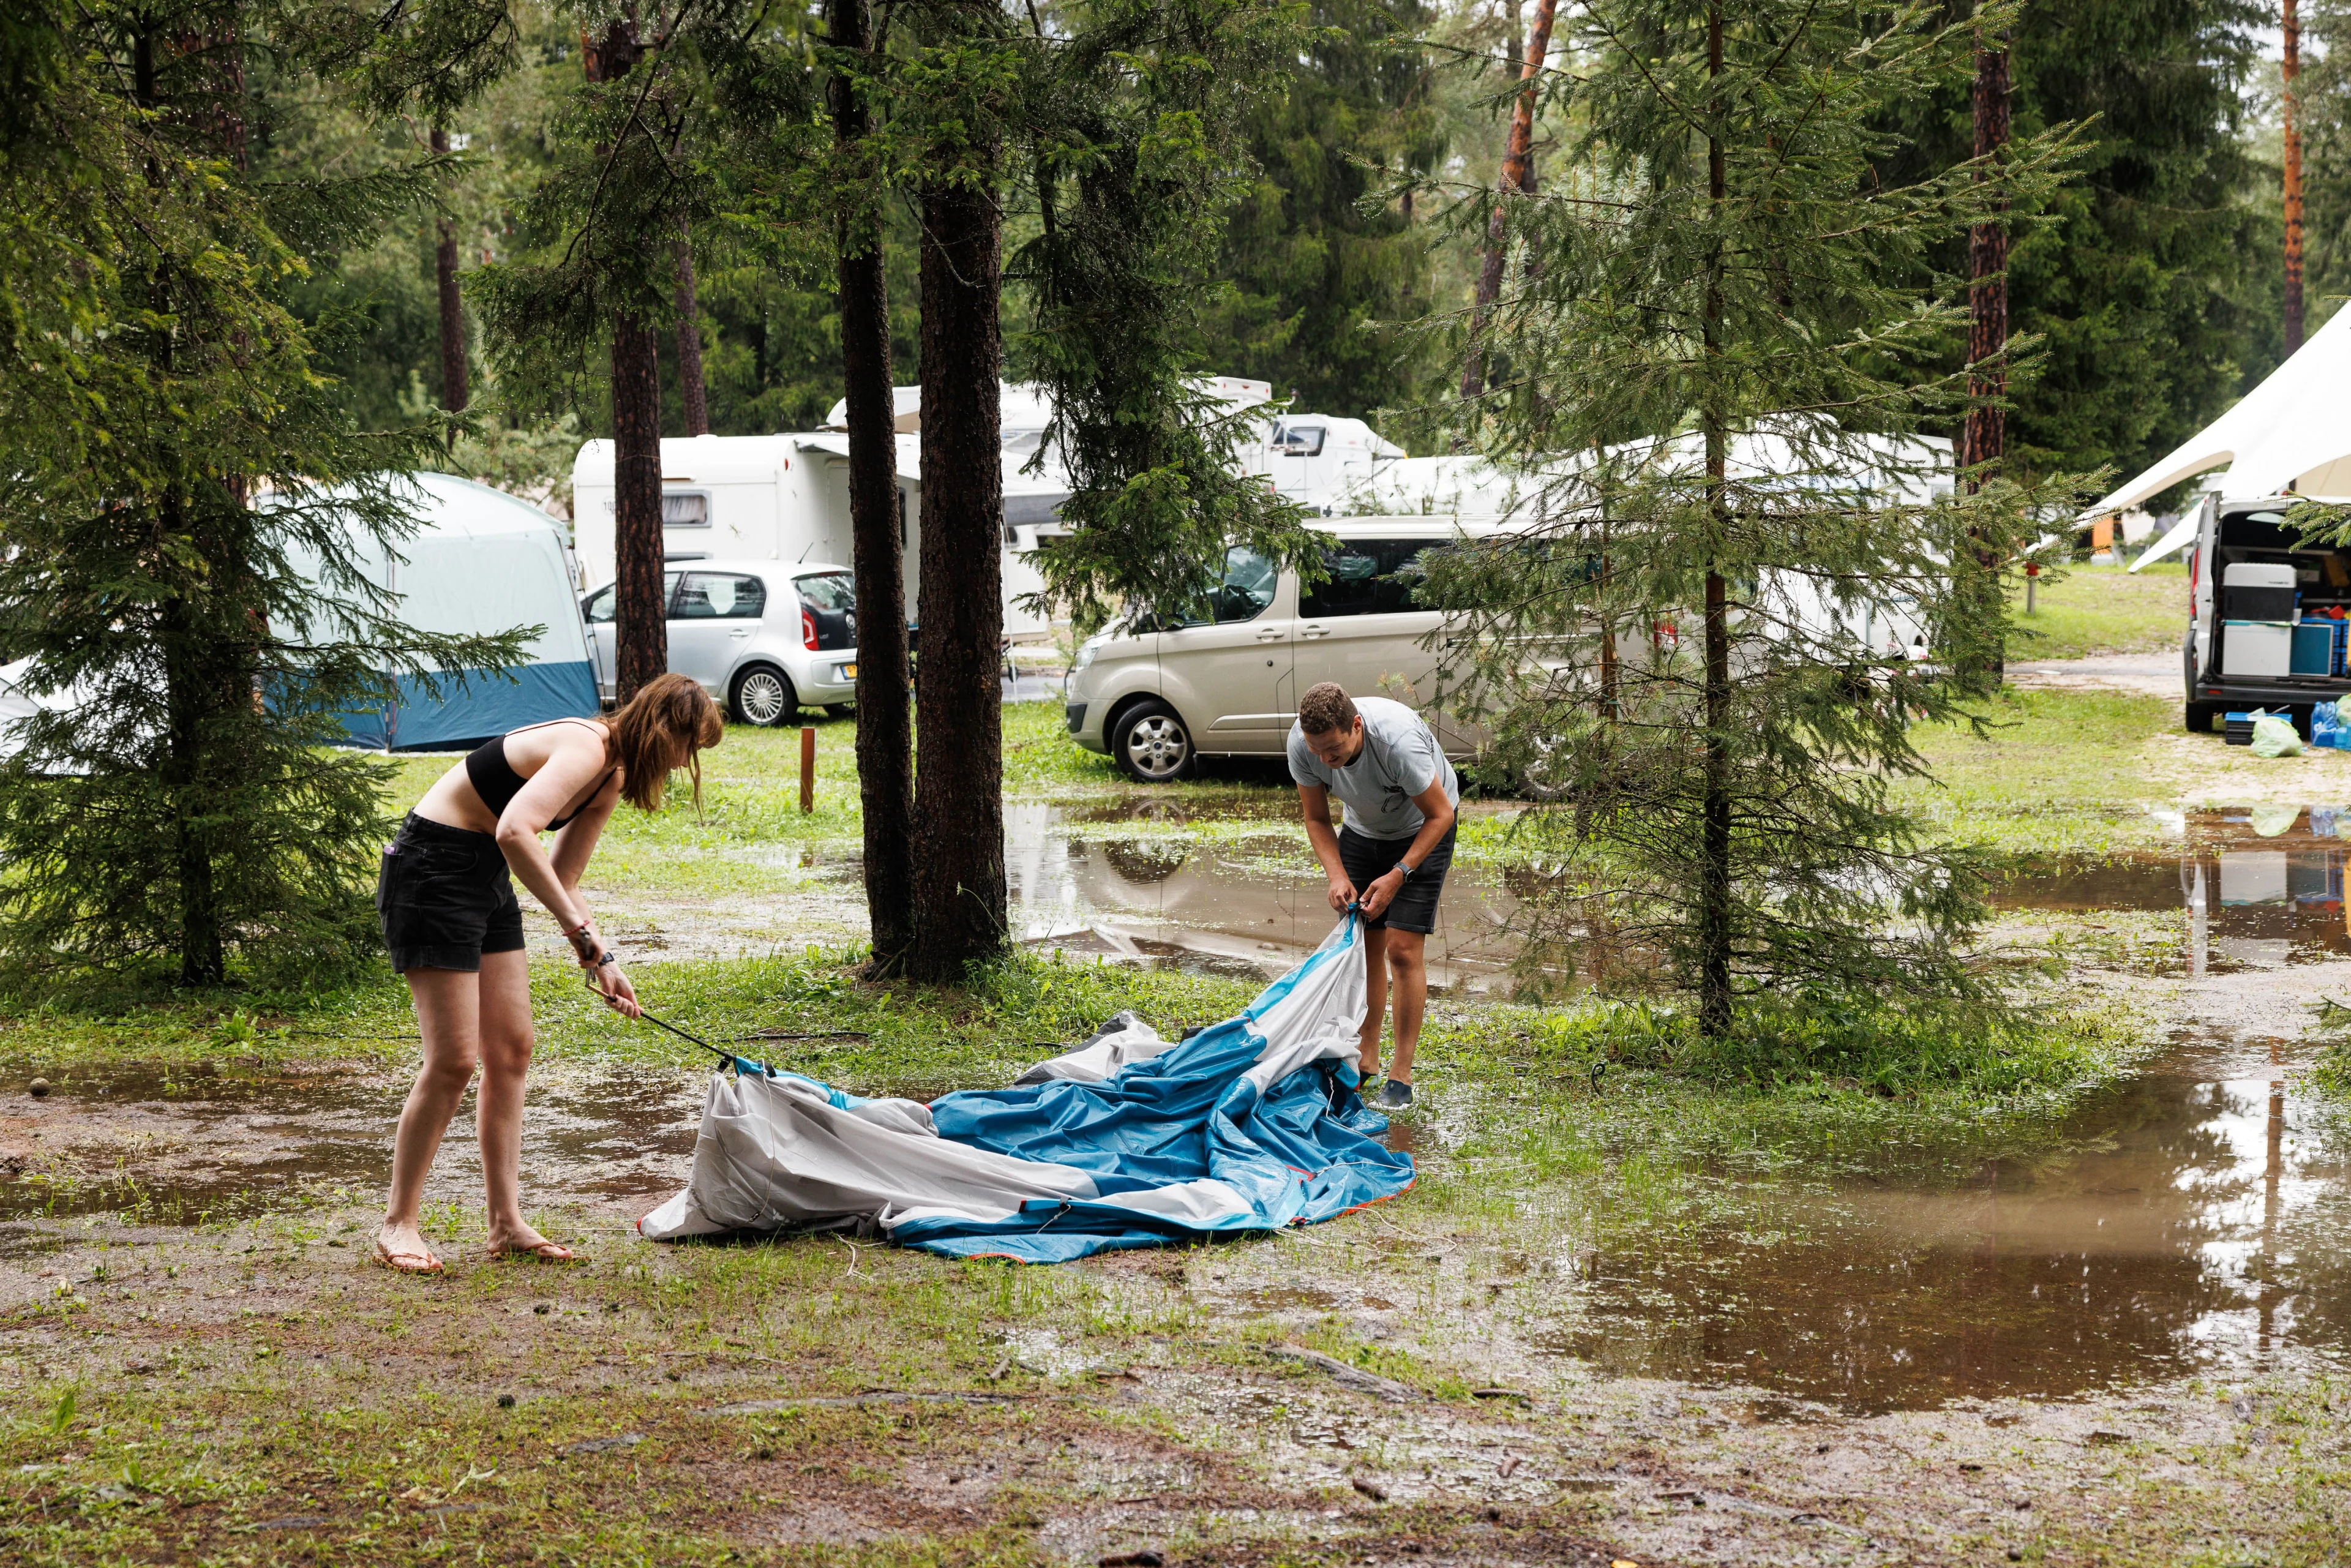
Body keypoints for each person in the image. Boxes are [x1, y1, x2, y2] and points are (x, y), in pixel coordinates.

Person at [372, 673, 724, 1274]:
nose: (685, 763)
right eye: (689, 748)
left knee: (510, 1050)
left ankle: (505, 1223)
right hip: (433, 867)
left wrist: (603, 956)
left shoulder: (608, 777)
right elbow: (515, 828)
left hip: (484, 872)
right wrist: (581, 936)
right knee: (455, 1059)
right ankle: (397, 1223)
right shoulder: (587, 746)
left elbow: (563, 874)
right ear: (667, 730)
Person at [1288, 681, 1459, 1111]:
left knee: (1402, 950)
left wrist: (1399, 873)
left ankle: (1402, 1075)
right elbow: (1315, 817)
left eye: (1334, 750)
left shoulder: (1396, 743)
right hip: (1363, 832)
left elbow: (1441, 814)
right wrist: (1337, 875)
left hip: (1424, 826)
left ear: (1357, 726)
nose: (1326, 761)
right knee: (1364, 946)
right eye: (1317, 751)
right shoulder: (1302, 743)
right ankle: (1367, 1059)